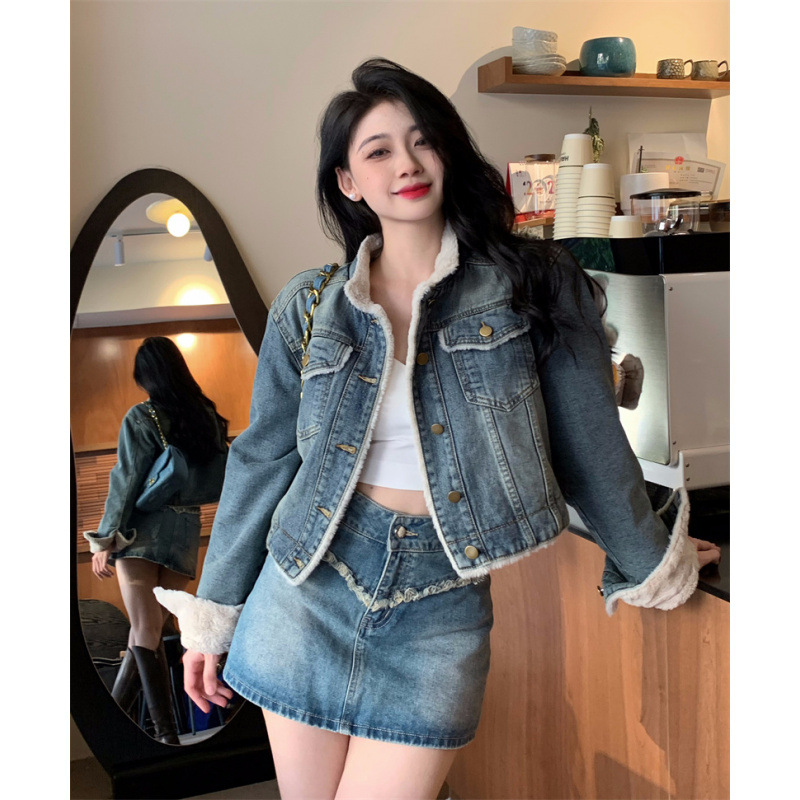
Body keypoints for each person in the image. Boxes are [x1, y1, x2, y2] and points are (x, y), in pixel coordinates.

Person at [155, 59, 721, 797]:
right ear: (348, 182)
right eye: (379, 150)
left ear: (447, 151)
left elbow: (591, 446)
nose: (408, 163)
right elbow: (262, 460)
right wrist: (212, 615)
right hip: (307, 588)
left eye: (422, 140)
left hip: (441, 607)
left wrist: (653, 559)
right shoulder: (310, 306)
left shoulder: (535, 284)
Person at [84, 336, 229, 745]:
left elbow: (126, 479)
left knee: (145, 628)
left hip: (143, 533)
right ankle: (118, 728)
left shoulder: (141, 416)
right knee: (145, 630)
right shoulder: (207, 417)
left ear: (146, 376)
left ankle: (165, 736)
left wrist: (104, 540)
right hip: (185, 533)